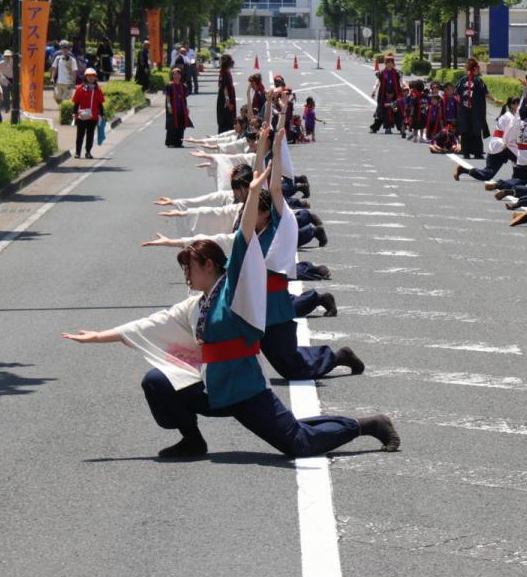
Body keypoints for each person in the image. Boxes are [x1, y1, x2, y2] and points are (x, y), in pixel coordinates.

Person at [63, 166, 400, 459]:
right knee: (157, 381)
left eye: (190, 269)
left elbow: (241, 240)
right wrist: (97, 337)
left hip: (245, 390)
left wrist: (254, 195)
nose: (187, 277)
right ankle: (192, 440)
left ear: (210, 266)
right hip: (213, 390)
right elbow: (152, 324)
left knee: (297, 441)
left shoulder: (236, 289)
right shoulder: (197, 304)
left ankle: (367, 425)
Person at [456, 57, 490, 159]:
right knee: (476, 131)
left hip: (465, 111)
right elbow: (486, 94)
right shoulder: (478, 81)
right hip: (476, 112)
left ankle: (466, 152)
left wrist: (463, 104)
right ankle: (477, 153)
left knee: (465, 131)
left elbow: (456, 95)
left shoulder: (462, 80)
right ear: (475, 69)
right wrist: (496, 100)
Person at [71, 67, 105, 159]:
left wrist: (102, 114)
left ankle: (88, 152)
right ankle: (77, 152)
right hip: (81, 116)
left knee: (90, 136)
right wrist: (74, 113)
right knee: (80, 135)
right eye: (89, 76)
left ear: (95, 77)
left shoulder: (98, 90)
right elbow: (76, 102)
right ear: (85, 77)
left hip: (93, 117)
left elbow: (100, 103)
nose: (91, 78)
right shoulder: (80, 89)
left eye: (93, 76)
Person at [164, 66, 193, 148]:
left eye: (178, 74)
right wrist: (169, 106)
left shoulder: (183, 86)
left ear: (180, 76)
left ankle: (179, 142)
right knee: (172, 125)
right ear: (172, 76)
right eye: (175, 74)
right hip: (172, 109)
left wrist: (186, 108)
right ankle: (171, 142)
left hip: (181, 108)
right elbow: (168, 97)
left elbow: (184, 98)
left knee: (181, 125)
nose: (177, 76)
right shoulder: (169, 86)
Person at [50, 40, 77, 106]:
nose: (65, 49)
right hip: (59, 82)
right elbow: (54, 68)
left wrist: (73, 81)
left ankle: (63, 112)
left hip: (68, 83)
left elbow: (74, 71)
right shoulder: (57, 58)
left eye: (66, 47)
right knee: (57, 97)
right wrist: (52, 78)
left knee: (66, 101)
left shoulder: (72, 59)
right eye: (63, 47)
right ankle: (62, 108)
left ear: (69, 49)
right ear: (61, 48)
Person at [216, 54, 236, 134]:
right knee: (227, 119)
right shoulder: (225, 73)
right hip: (226, 100)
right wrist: (228, 101)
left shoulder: (223, 72)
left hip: (222, 99)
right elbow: (225, 87)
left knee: (224, 119)